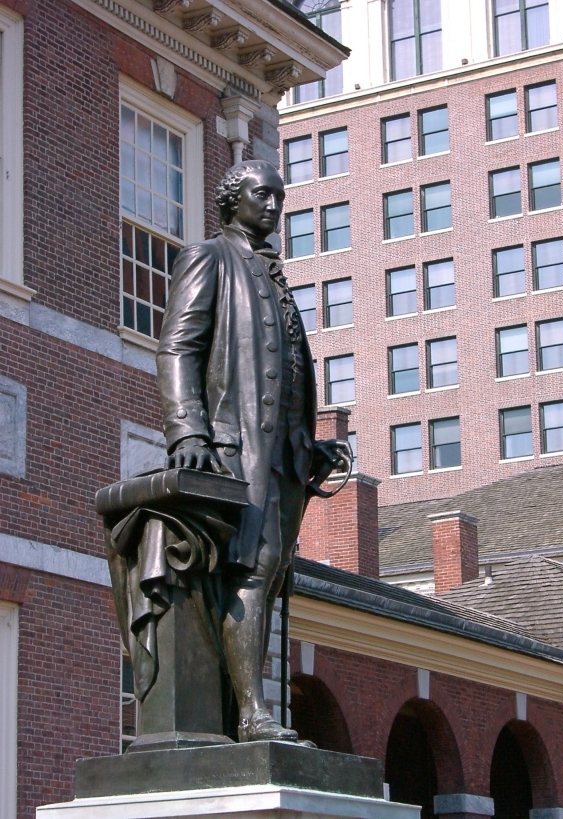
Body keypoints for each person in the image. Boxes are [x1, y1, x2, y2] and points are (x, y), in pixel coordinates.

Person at [156, 159, 347, 743]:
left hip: (284, 456)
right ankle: (250, 714)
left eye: (279, 198)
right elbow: (178, 348)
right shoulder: (210, 257)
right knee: (252, 569)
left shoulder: (274, 275)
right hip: (234, 449)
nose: (273, 206)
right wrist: (188, 432)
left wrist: (311, 446)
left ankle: (251, 709)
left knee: (271, 576)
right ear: (231, 199)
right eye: (262, 194)